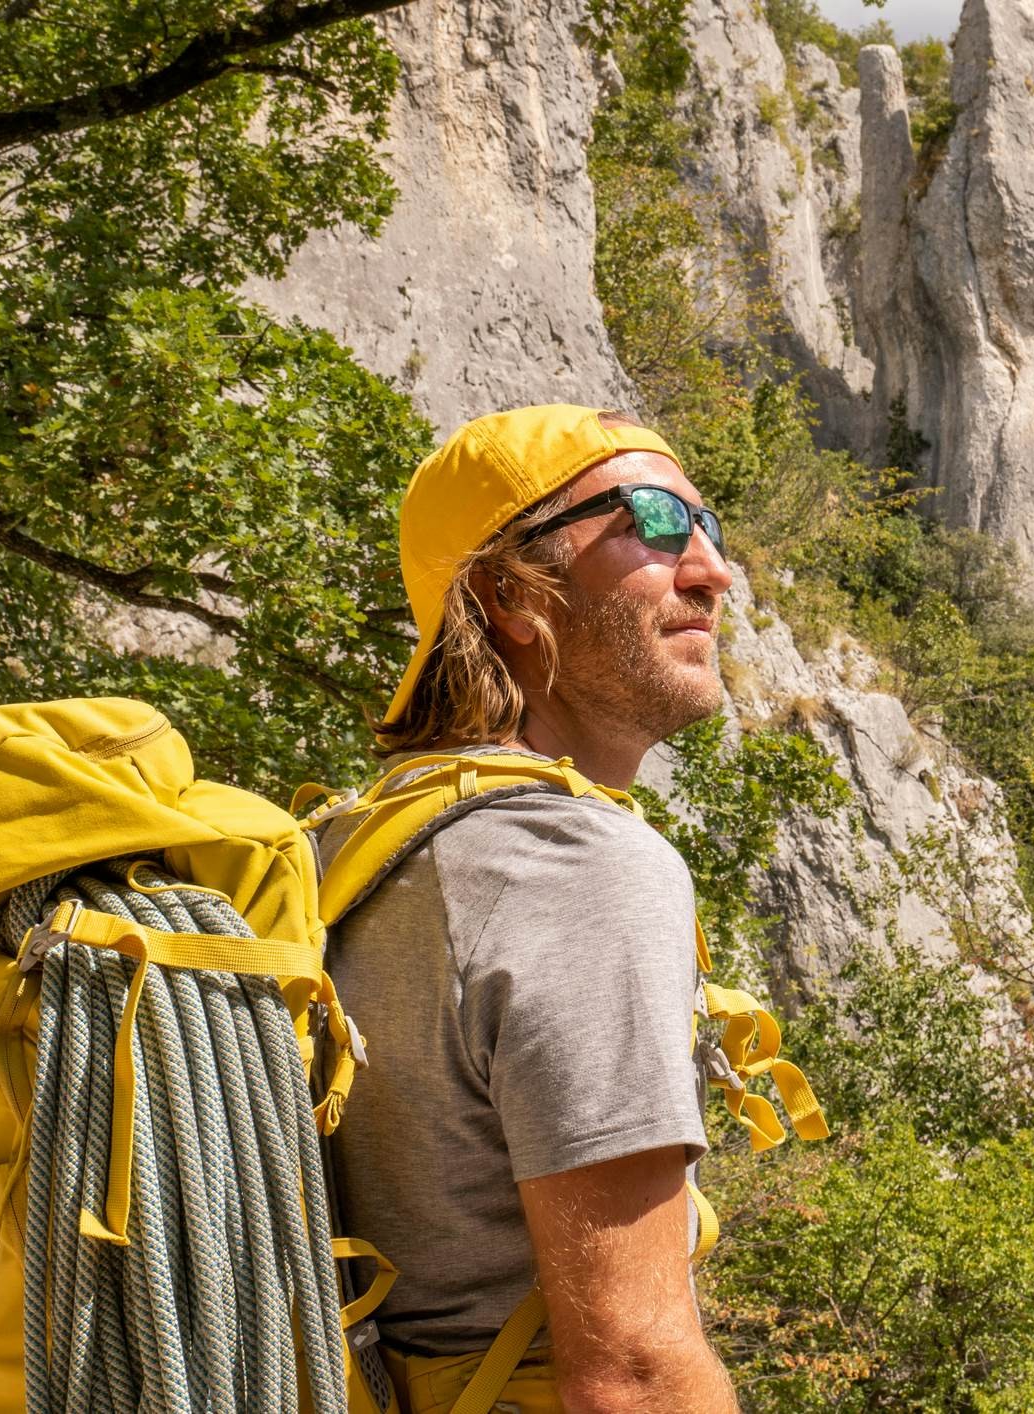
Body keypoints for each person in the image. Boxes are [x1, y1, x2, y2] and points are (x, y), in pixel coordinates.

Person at [320, 404, 740, 1412]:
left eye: (708, 524)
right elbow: (633, 1372)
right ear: (512, 592)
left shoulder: (359, 837)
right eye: (648, 519)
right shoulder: (575, 865)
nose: (712, 571)